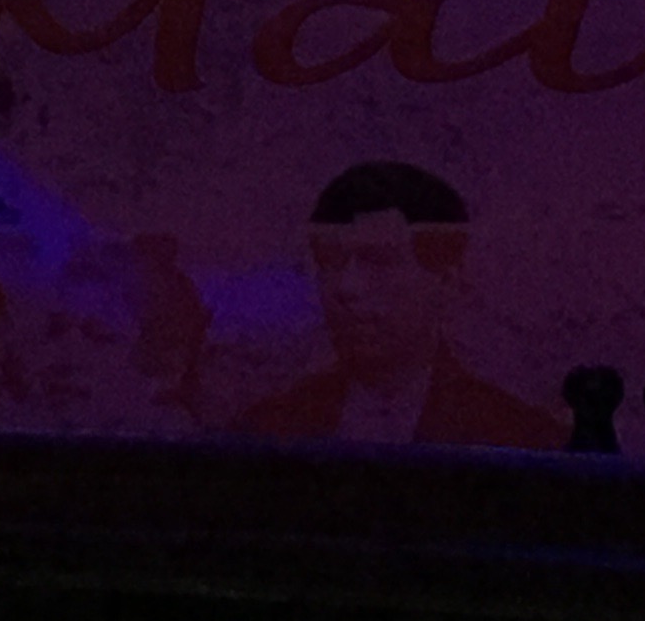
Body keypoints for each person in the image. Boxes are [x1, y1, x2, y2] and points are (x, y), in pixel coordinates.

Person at [239, 163, 563, 448]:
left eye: (378, 261)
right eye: (330, 261)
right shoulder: (265, 431)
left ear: (446, 280)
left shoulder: (522, 441)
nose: (347, 287)